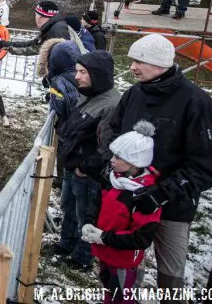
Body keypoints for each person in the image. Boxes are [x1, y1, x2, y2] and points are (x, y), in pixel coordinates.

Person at [104, 33, 212, 299]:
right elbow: (113, 131)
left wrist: (161, 194)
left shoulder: (197, 103)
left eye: (139, 61)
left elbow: (208, 166)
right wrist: (111, 164)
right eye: (133, 59)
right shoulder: (134, 93)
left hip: (173, 207)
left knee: (170, 276)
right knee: (128, 265)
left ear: (160, 64)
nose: (132, 66)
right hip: (128, 199)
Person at [54, 50, 121, 270]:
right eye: (77, 71)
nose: (77, 77)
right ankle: (66, 243)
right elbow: (74, 126)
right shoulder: (86, 93)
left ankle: (83, 257)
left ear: (97, 74)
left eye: (82, 72)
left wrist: (85, 167)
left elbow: (107, 147)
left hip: (88, 172)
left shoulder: (111, 105)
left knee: (85, 215)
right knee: (68, 207)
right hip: (74, 164)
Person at [81, 121, 162, 303]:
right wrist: (89, 221)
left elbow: (141, 238)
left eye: (118, 157)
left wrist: (104, 237)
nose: (112, 160)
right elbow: (98, 202)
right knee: (109, 288)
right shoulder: (114, 178)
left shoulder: (144, 196)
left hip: (124, 261)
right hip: (106, 252)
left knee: (122, 297)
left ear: (134, 163)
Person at [0, 0, 71, 56]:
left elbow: (67, 57)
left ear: (40, 17)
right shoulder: (51, 27)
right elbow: (33, 45)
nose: (35, 18)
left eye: (36, 15)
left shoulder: (58, 30)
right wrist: (5, 44)